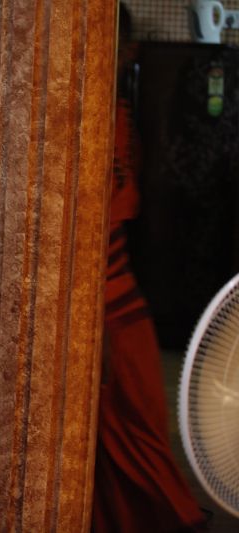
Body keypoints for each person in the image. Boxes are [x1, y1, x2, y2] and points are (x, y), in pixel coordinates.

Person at [91, 5, 207, 532]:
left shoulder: (118, 112)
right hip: (101, 295)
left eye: (115, 49)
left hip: (118, 294)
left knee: (139, 417)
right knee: (120, 418)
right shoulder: (96, 114)